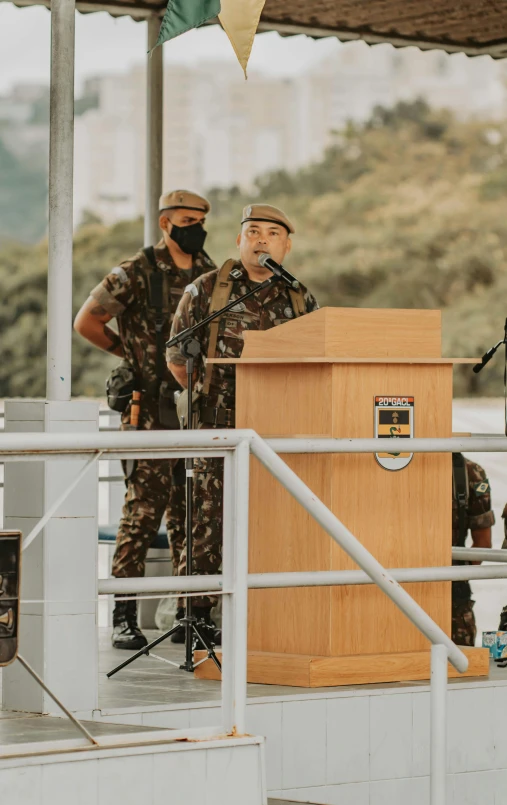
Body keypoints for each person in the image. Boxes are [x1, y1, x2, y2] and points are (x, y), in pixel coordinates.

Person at [167, 203, 319, 635]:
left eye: (272, 234)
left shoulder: (299, 297)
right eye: (253, 231)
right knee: (209, 519)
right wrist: (207, 399)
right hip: (218, 426)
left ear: (286, 246)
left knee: (275, 517)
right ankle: (193, 616)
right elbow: (177, 357)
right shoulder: (206, 290)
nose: (261, 240)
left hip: (278, 428)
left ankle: (271, 612)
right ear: (238, 240)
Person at [74, 189, 215, 650]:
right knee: (141, 513)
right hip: (149, 409)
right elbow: (87, 323)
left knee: (189, 513)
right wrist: (129, 354)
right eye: (186, 219)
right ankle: (123, 615)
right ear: (165, 223)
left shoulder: (211, 274)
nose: (195, 227)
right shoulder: (136, 271)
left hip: (193, 410)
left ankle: (188, 612)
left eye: (200, 219)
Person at [452, 452, 494, 645]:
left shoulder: (468, 472)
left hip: (453, 595)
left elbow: (483, 543)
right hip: (454, 590)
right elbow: (483, 543)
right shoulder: (469, 471)